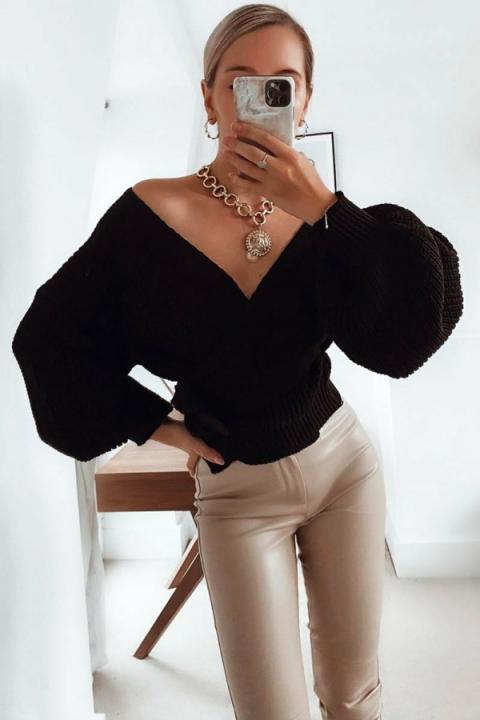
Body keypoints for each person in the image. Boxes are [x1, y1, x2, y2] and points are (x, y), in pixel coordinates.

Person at [12, 4, 464, 719]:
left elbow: (405, 337)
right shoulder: (149, 216)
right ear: (209, 98)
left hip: (344, 468)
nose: (262, 98)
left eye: (283, 84)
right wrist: (157, 424)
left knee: (354, 695)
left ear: (305, 101)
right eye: (240, 81)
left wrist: (325, 207)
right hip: (237, 496)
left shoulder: (330, 222)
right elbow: (47, 339)